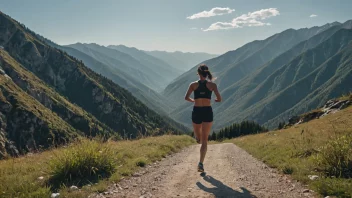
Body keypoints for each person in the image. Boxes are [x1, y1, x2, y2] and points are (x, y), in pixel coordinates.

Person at [184, 64, 222, 172]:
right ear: (206, 73)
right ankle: (200, 163)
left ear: (198, 73)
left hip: (196, 111)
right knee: (204, 139)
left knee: (199, 137)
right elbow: (219, 98)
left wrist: (194, 101)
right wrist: (216, 100)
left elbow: (186, 97)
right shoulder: (212, 85)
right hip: (207, 111)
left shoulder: (193, 85)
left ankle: (200, 160)